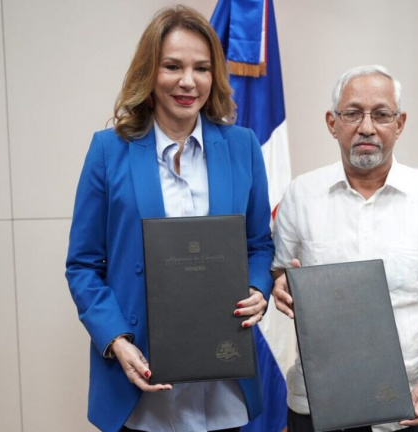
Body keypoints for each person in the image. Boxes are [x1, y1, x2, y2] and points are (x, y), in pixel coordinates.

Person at [65, 5, 274, 432]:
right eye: (172, 66)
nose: (187, 81)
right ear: (150, 72)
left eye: (201, 68)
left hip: (223, 388)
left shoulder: (243, 146)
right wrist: (115, 340)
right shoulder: (108, 151)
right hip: (139, 385)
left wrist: (257, 287)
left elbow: (258, 245)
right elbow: (83, 265)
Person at [271, 65, 418, 432]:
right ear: (332, 122)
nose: (367, 127)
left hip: (416, 403)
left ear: (400, 124)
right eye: (353, 113)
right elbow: (281, 271)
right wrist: (280, 283)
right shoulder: (300, 195)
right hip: (321, 405)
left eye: (382, 114)